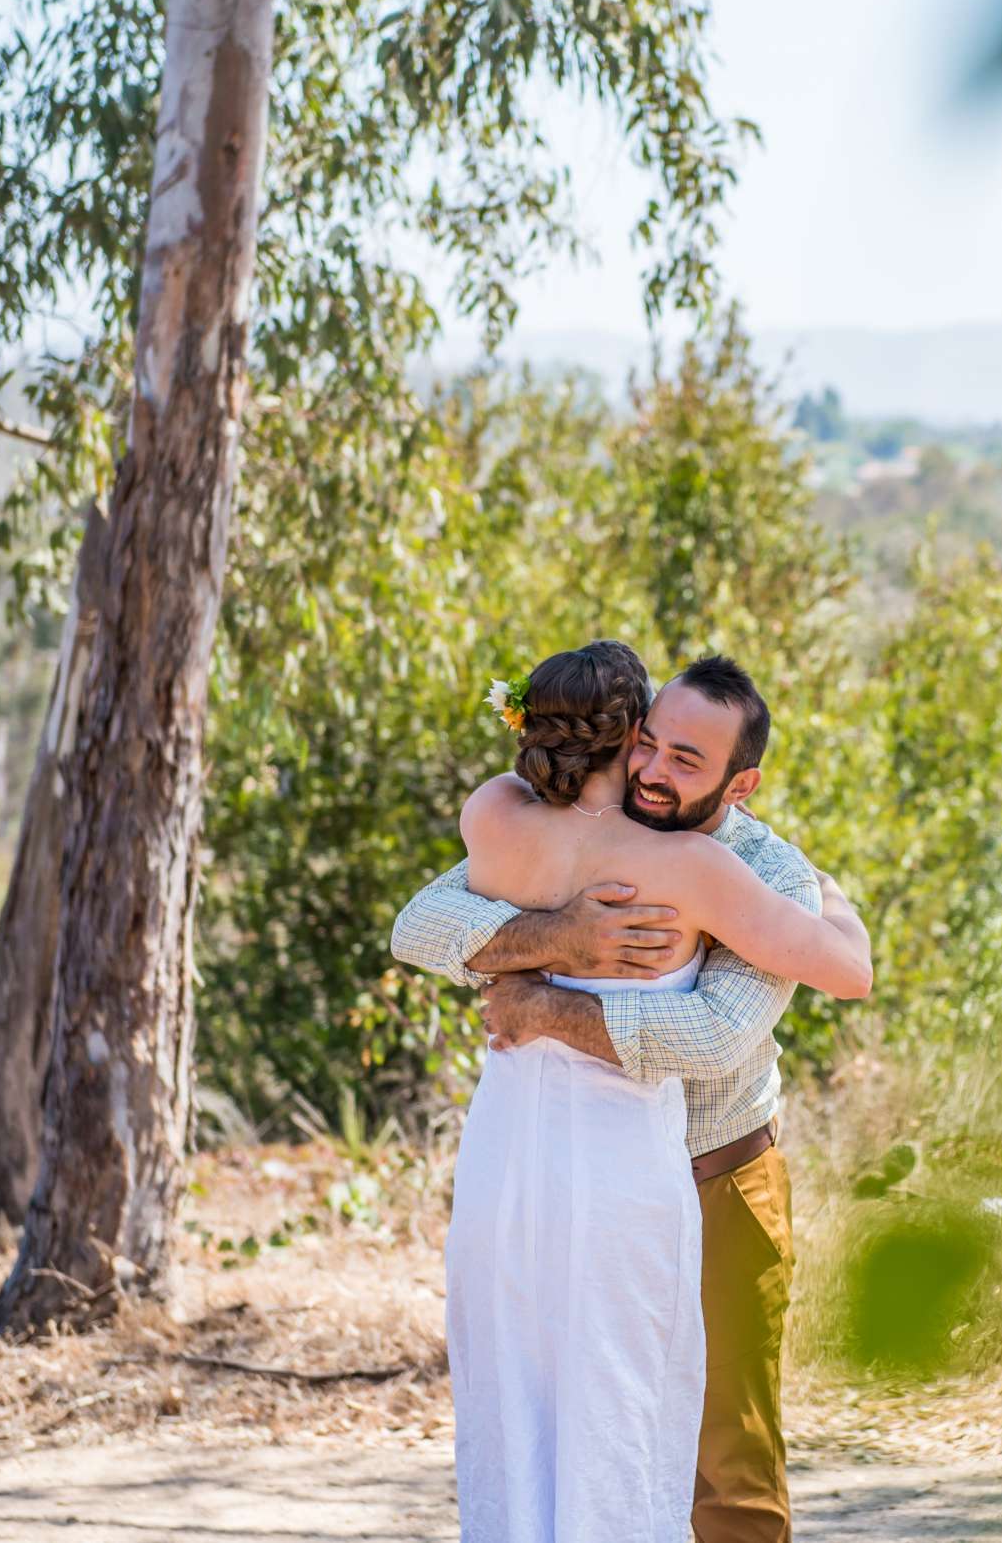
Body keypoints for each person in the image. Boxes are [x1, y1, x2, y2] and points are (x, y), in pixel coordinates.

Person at [393, 645, 866, 1543]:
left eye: (686, 760)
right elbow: (425, 923)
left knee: (724, 1456)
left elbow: (710, 1036)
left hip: (719, 1176)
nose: (653, 769)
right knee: (584, 1417)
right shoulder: (577, 832)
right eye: (648, 742)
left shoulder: (764, 876)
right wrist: (558, 936)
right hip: (583, 1176)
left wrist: (535, 1001)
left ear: (741, 785)